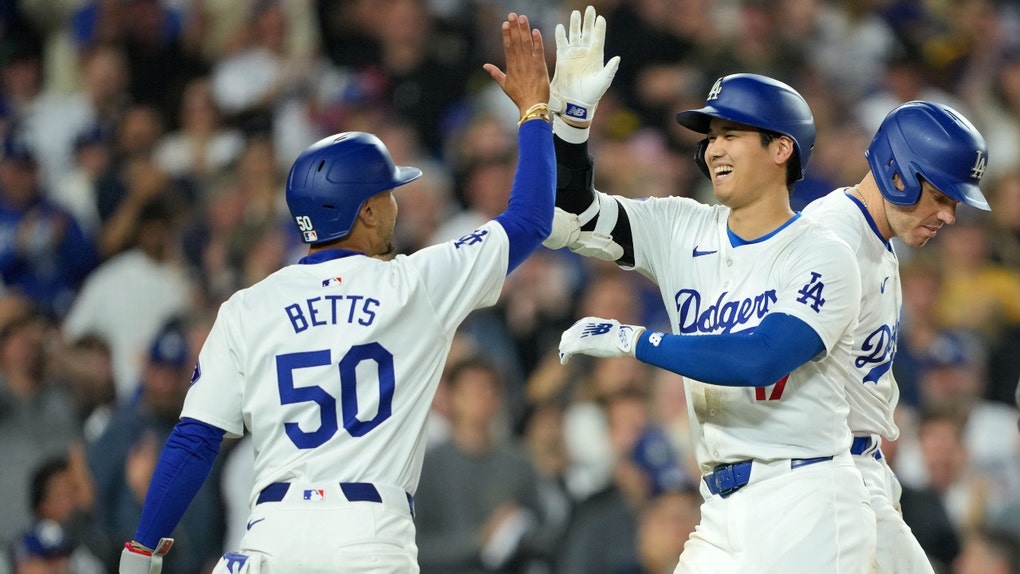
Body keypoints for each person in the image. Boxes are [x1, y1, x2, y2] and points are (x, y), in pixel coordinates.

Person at [117, 11, 554, 574]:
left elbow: (194, 442)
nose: (396, 204)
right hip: (368, 536)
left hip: (270, 538)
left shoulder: (247, 307)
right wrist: (535, 112)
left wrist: (143, 547)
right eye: (388, 194)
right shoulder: (414, 283)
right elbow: (531, 218)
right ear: (367, 211)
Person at [546, 6, 874, 572]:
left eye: (732, 134)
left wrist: (635, 342)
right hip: (720, 506)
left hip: (808, 496)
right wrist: (571, 125)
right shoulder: (680, 226)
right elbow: (569, 217)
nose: (713, 148)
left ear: (781, 149)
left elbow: (760, 358)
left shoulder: (824, 254)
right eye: (711, 136)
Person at [802, 99, 991, 573]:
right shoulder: (832, 239)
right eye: (943, 196)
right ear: (897, 171)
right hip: (825, 480)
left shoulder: (875, 242)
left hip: (859, 472)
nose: (950, 216)